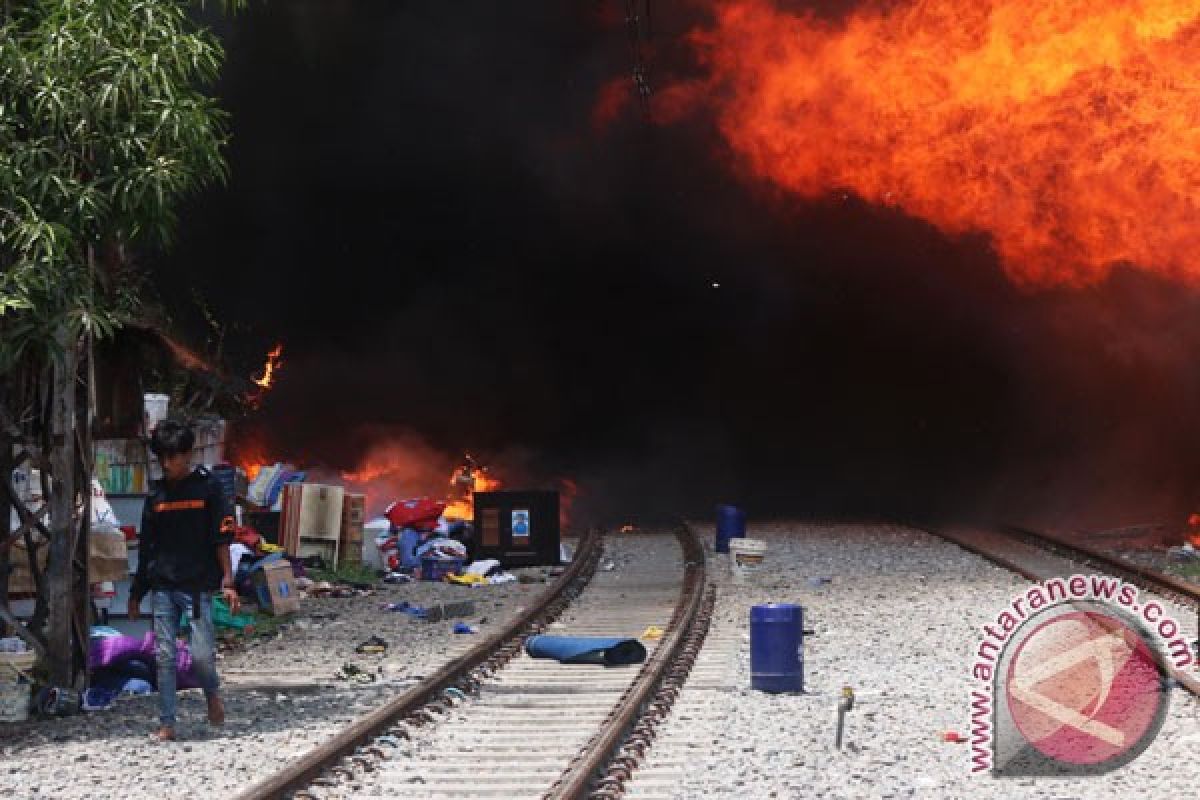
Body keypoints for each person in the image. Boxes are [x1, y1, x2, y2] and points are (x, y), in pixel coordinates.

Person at [128, 420, 239, 741]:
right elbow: (147, 548)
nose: (166, 464)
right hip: (163, 587)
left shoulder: (207, 489)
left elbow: (221, 540)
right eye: (161, 457)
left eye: (172, 457)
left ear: (187, 455)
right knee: (164, 657)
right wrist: (137, 593)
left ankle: (212, 692)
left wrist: (228, 582)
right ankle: (167, 723)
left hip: (196, 588)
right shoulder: (156, 496)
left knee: (202, 655)